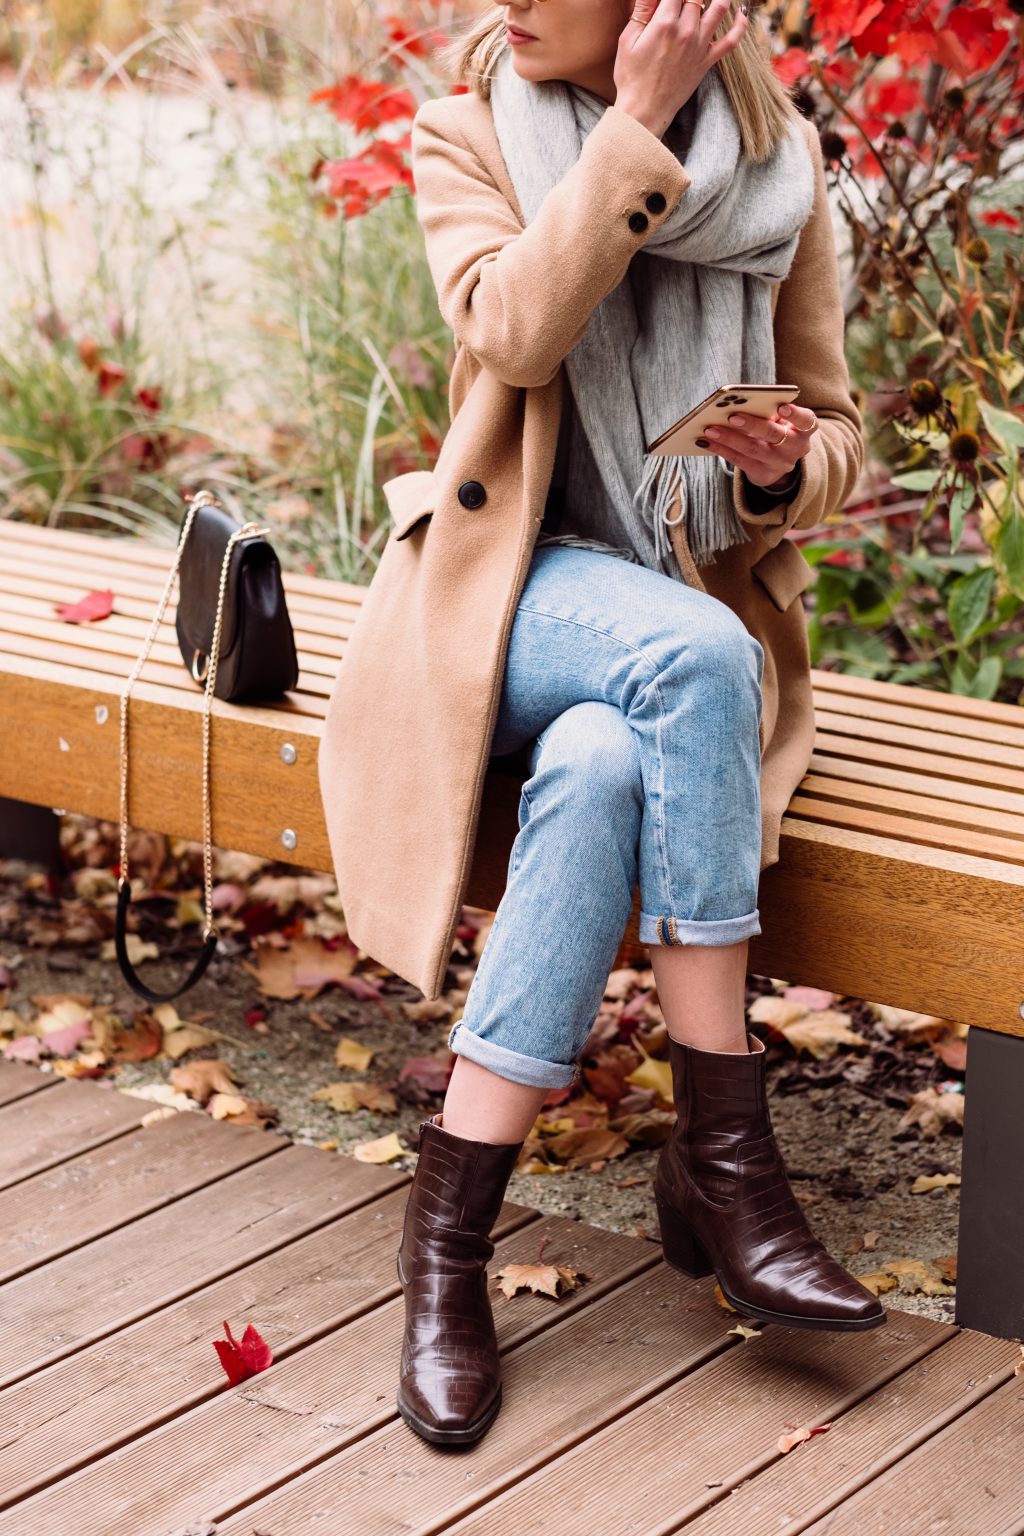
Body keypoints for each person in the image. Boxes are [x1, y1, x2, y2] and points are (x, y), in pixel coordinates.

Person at [317, 0, 885, 1451]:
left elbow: (836, 431)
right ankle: (728, 1154)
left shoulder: (782, 170)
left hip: (657, 642)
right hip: (502, 608)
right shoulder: (468, 131)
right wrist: (633, 131)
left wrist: (775, 473)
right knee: (692, 657)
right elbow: (511, 327)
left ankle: (443, 1248)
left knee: (603, 761)